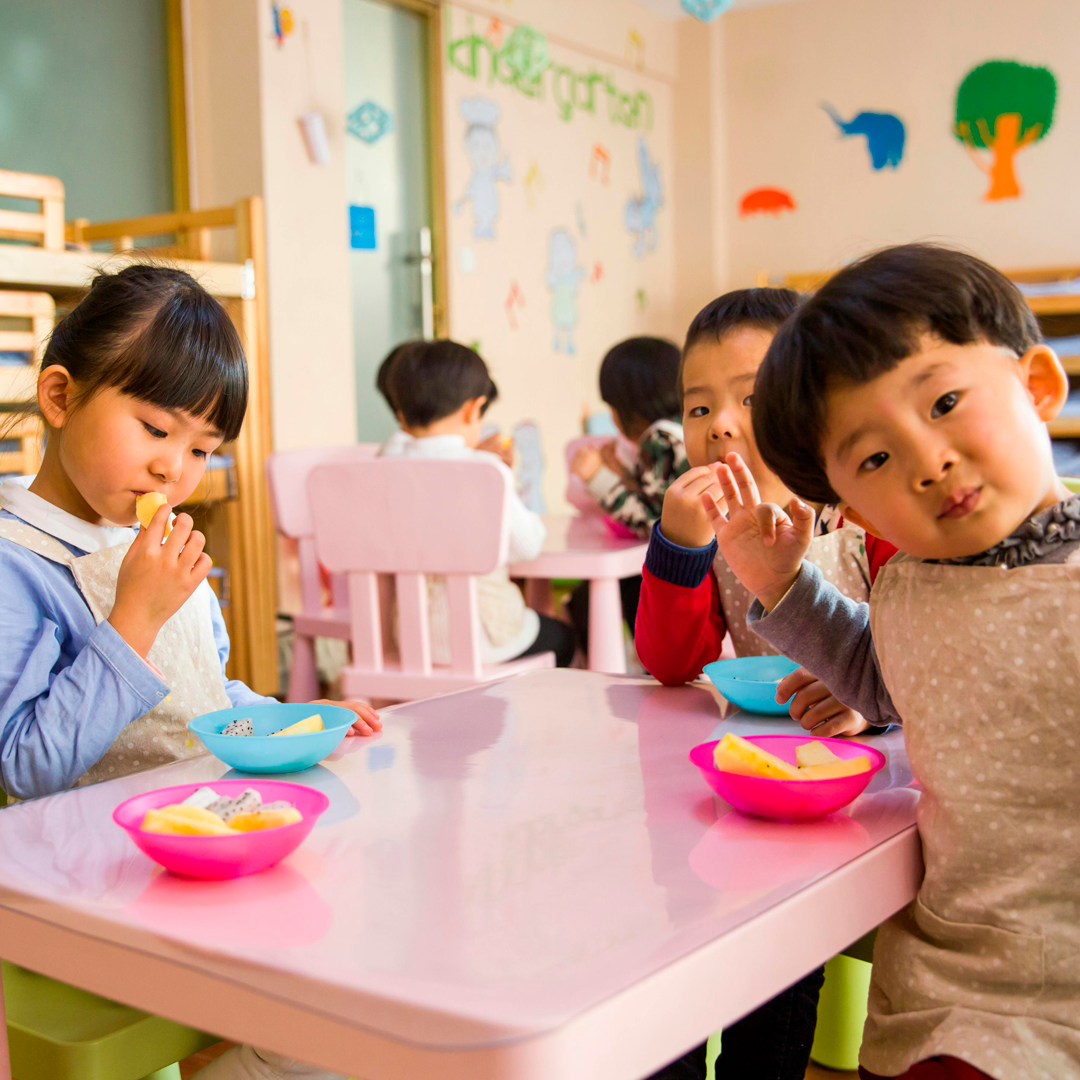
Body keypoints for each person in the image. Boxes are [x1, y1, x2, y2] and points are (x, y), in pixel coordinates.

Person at [705, 244, 1079, 1080]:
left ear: (1038, 386)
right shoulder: (908, 584)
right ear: (844, 503)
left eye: (944, 401)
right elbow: (883, 676)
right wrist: (780, 582)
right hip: (949, 979)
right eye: (873, 458)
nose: (924, 460)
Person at [0, 265, 380, 1080]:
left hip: (186, 852)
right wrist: (133, 617)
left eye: (202, 448)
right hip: (80, 889)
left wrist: (294, 717)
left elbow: (200, 700)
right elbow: (25, 768)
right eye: (154, 429)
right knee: (325, 1032)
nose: (176, 469)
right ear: (61, 398)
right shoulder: (14, 566)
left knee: (368, 944)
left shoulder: (154, 545)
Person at [635, 288, 897, 737]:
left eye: (751, 399)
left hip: (883, 765)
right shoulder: (712, 532)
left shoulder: (869, 517)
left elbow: (931, 659)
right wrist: (679, 549)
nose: (718, 424)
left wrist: (870, 704)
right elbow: (673, 667)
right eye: (699, 408)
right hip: (760, 743)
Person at [381, 339, 576, 667]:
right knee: (563, 637)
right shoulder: (485, 471)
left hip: (411, 640)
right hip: (486, 639)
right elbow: (527, 546)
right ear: (474, 409)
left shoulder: (382, 470)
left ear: (400, 415)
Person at [568, 336, 688, 647]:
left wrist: (596, 477)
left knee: (593, 598)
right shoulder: (680, 430)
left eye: (613, 407)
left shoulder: (660, 437)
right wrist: (620, 473)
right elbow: (657, 497)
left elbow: (651, 522)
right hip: (695, 561)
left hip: (681, 569)